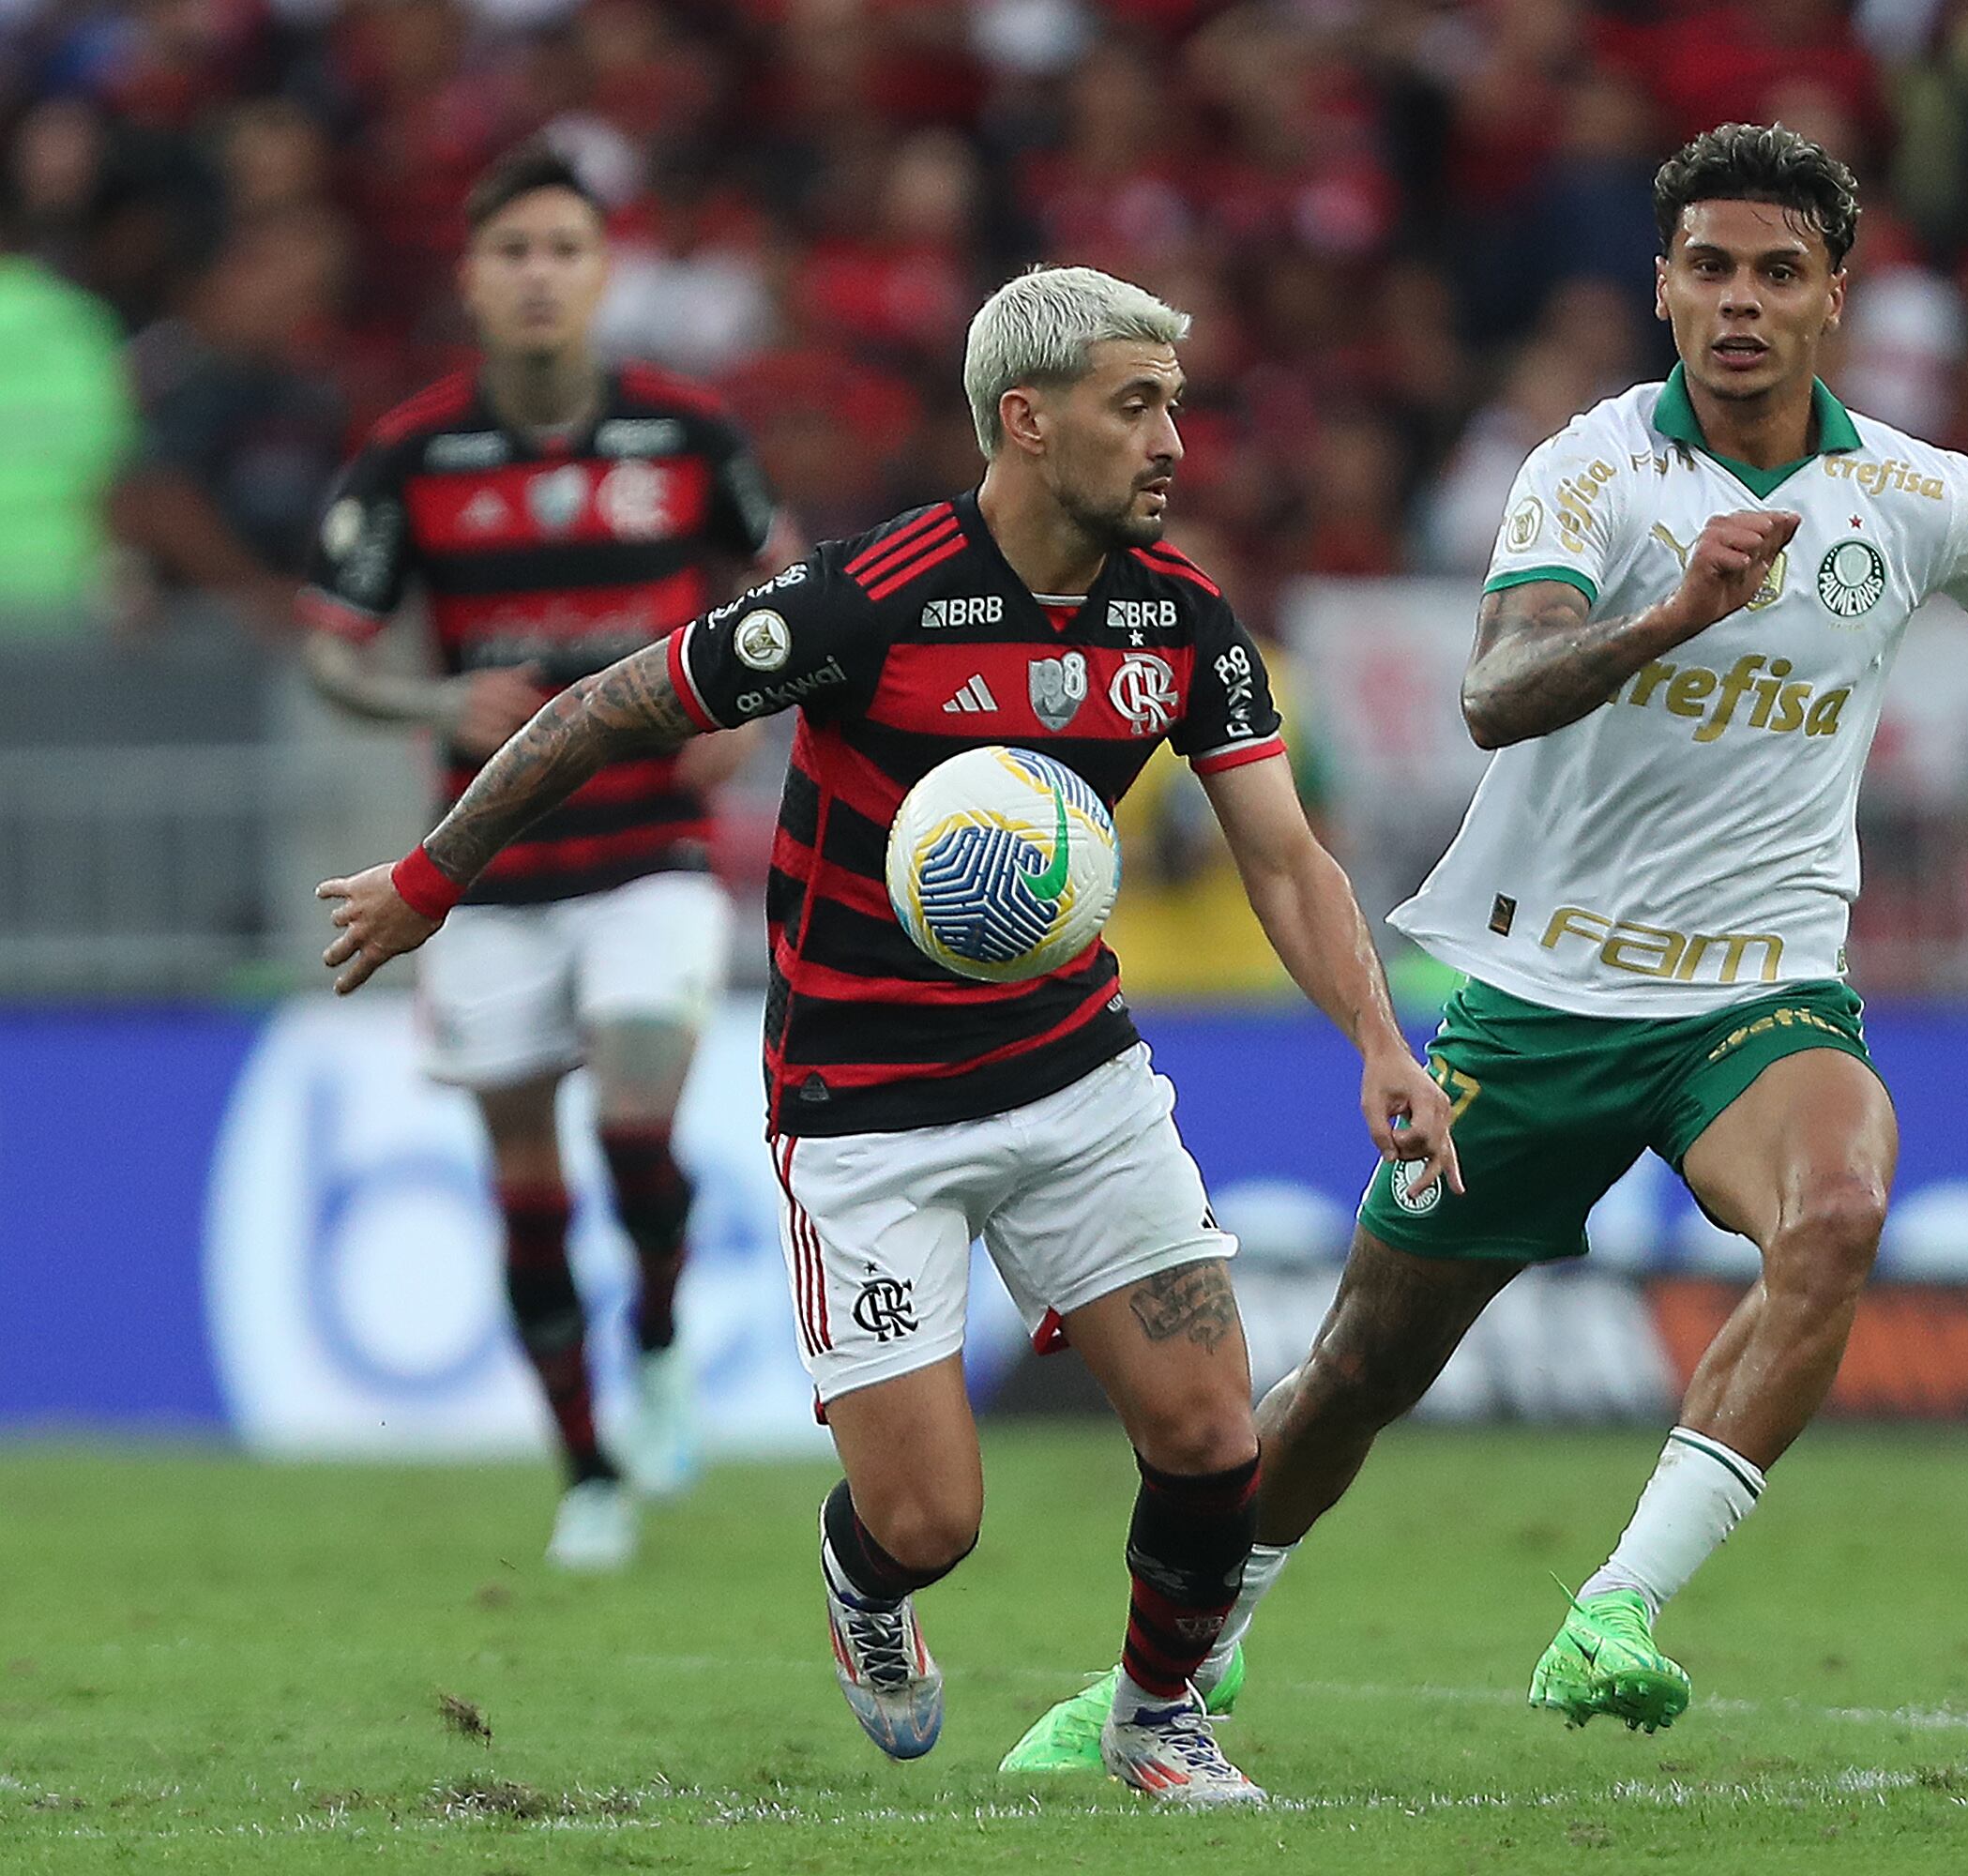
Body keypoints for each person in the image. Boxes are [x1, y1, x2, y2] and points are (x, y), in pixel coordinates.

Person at [1006, 121, 1968, 1765]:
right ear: (1663, 289)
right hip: (1540, 996)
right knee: (1360, 1370)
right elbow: (1494, 691)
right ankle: (1174, 1666)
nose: (1741, 301)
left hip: (1759, 994)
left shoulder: (1918, 494)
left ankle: (1618, 1608)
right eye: (1711, 268)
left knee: (1839, 1211)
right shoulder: (1590, 473)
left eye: (1779, 273)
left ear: (1834, 300)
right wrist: (1672, 617)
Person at [313, 265, 1461, 1806]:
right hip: (866, 1107)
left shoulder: (1179, 619)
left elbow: (1286, 858)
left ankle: (1155, 1718)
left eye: (1175, 406)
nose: (1173, 441)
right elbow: (603, 710)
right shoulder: (868, 598)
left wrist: (1380, 1041)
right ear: (1026, 420)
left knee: (1207, 1433)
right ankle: (864, 1583)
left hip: (1076, 1078)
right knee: (929, 1522)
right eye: (1136, 406)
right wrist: (429, 880)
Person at [295, 145, 795, 1572]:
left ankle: (660, 1344)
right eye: (511, 250)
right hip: (489, 870)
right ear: (471, 277)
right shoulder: (412, 456)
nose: (538, 275)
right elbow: (332, 651)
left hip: (649, 850)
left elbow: (787, 582)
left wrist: (747, 709)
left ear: (601, 271)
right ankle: (586, 1473)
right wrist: (431, 698)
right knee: (526, 1179)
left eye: (564, 249)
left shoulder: (686, 433)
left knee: (636, 1126)